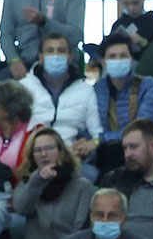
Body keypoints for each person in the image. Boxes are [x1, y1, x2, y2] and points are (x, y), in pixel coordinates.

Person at [8, 127, 95, 239]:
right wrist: (37, 181)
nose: (43, 154)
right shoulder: (28, 183)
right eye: (38, 150)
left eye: (49, 148)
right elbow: (21, 208)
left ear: (61, 151)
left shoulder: (82, 186)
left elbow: (81, 231)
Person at [26, 31, 104, 162]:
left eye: (61, 51)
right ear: (41, 57)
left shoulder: (85, 90)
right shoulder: (24, 87)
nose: (55, 55)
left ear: (70, 57)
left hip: (71, 157)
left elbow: (97, 133)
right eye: (50, 51)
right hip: (32, 156)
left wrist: (90, 144)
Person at [95, 32, 153, 175]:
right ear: (103, 62)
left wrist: (99, 140)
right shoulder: (96, 89)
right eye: (112, 57)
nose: (118, 60)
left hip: (142, 150)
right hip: (104, 154)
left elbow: (143, 128)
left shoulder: (149, 86)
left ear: (131, 59)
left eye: (123, 56)